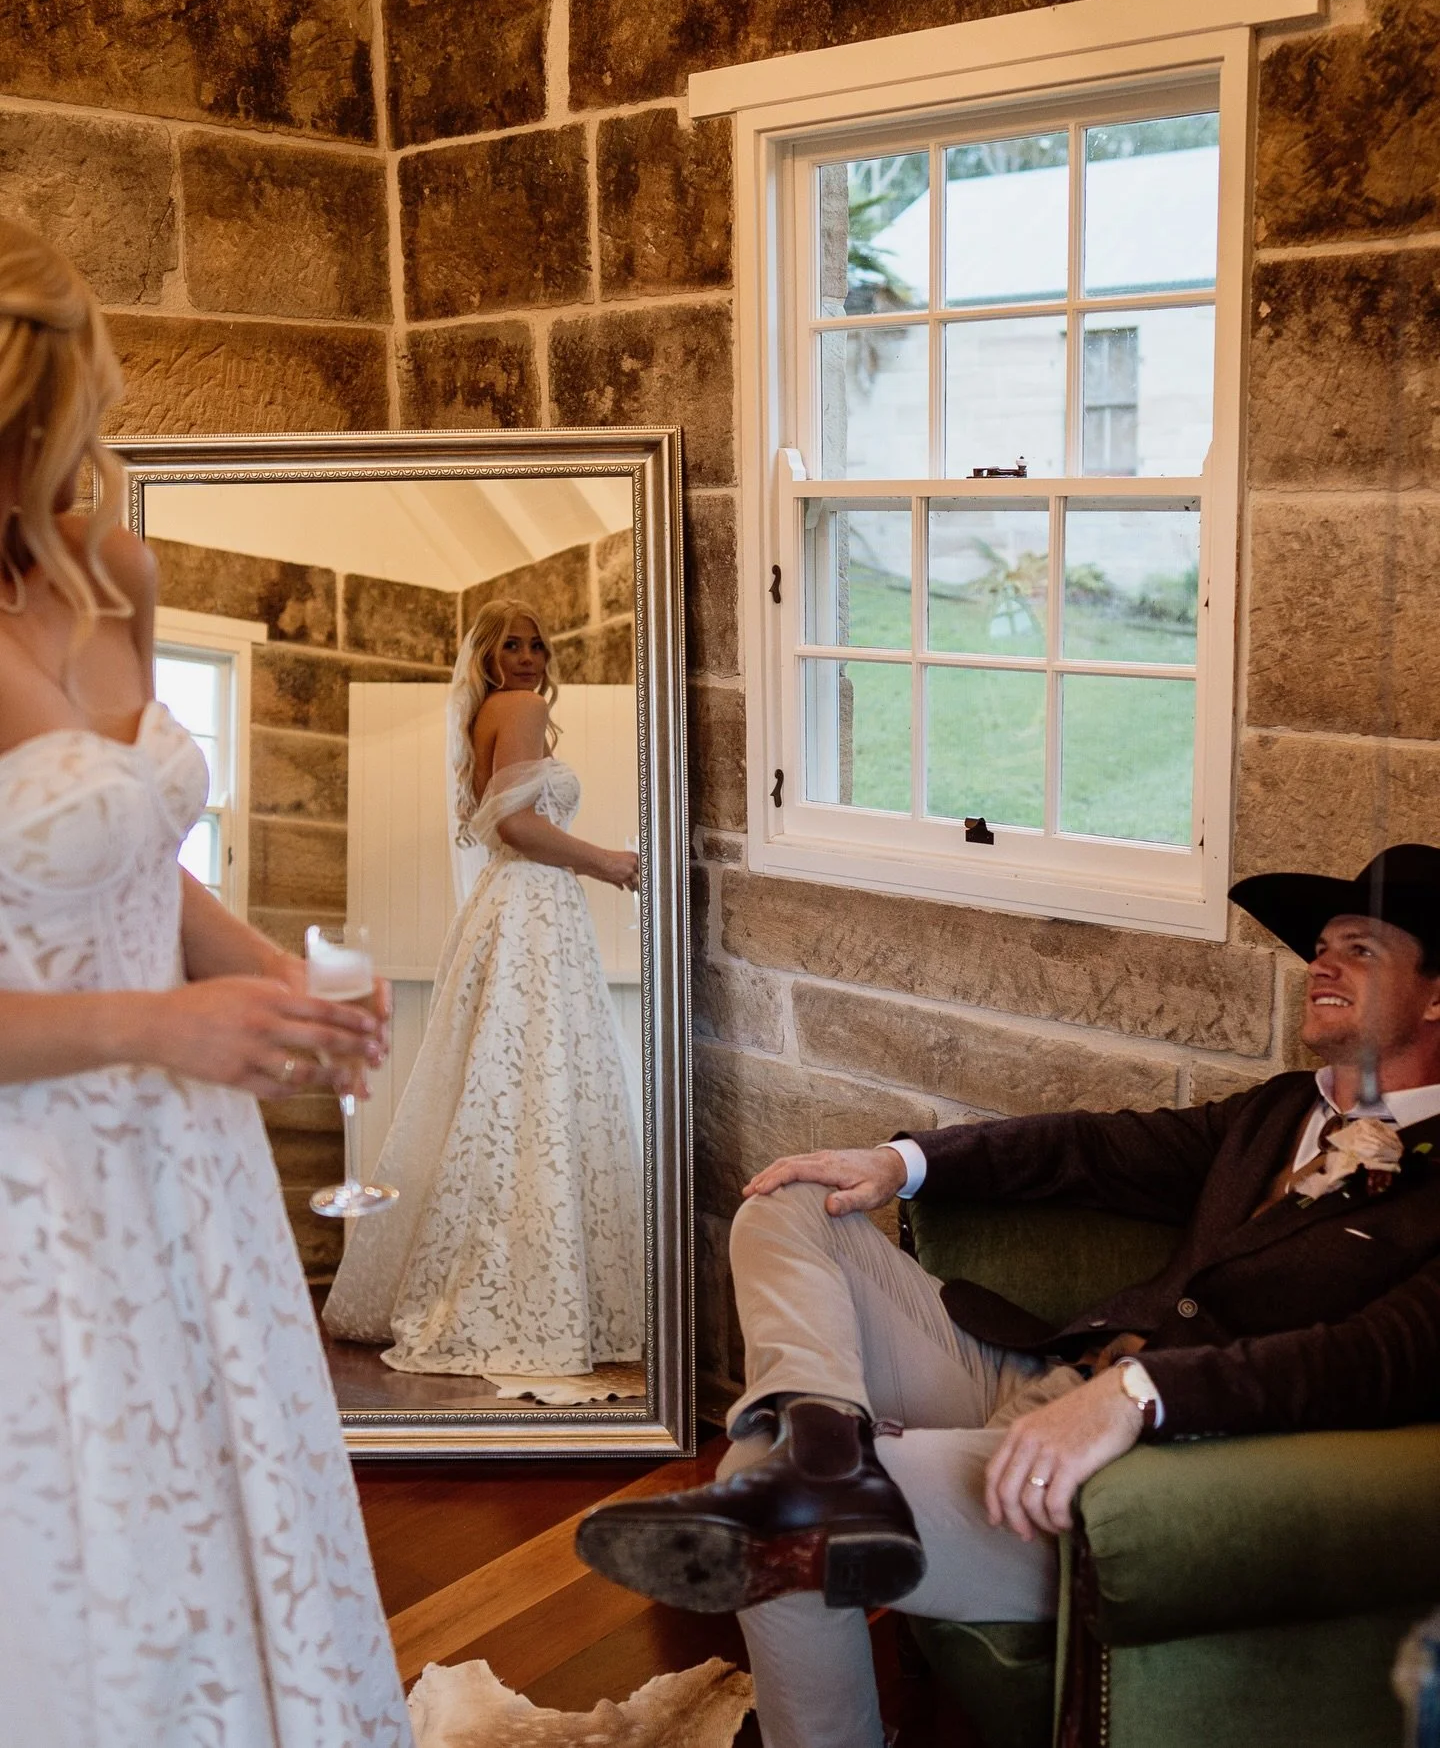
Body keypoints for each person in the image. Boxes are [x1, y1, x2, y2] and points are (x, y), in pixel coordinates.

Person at [577, 843, 1440, 1748]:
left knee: (759, 1490)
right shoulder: (1273, 1113)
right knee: (790, 1206)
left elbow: (1377, 1359)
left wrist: (1141, 1396)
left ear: (1434, 995)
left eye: (1363, 948)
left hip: (1133, 1474)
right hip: (1033, 1372)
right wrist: (897, 1163)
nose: (1323, 962)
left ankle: (817, 1505)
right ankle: (827, 1438)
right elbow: (1092, 1148)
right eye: (1323, 944)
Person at [0, 220, 412, 1744]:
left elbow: (121, 860)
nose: (91, 437)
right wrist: (162, 1022)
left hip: (188, 1172)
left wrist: (273, 983)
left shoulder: (114, 572)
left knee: (237, 1513)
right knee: (81, 1553)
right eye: (69, 405)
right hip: (30, 1178)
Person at [322, 600, 645, 1388]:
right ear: (488, 654)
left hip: (506, 904)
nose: (530, 656)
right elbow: (520, 828)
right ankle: (527, 1293)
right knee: (535, 1085)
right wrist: (607, 860)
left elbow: (499, 822)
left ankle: (505, 1279)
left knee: (502, 1086)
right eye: (512, 643)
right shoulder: (524, 708)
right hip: (531, 902)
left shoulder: (484, 715)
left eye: (538, 643)